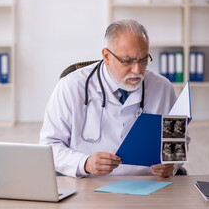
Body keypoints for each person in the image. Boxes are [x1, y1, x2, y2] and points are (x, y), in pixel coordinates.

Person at [39, 19, 190, 178]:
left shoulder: (163, 88)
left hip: (147, 183)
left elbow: (178, 141)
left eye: (143, 60)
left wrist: (170, 165)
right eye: (127, 61)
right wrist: (85, 163)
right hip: (89, 184)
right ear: (106, 56)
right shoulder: (71, 87)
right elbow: (50, 146)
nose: (137, 69)